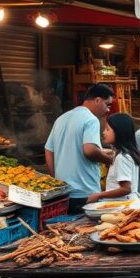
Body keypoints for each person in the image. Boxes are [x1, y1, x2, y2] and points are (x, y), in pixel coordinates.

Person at [45, 84, 115, 214]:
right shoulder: (91, 119)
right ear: (97, 100)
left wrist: (55, 178)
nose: (108, 110)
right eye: (107, 104)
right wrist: (111, 160)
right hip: (85, 192)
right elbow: (89, 150)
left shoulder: (61, 118)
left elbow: (49, 150)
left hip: (64, 194)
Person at [90, 113, 140, 203]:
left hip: (122, 205)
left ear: (118, 132)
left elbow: (125, 189)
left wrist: (99, 195)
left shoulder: (122, 157)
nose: (104, 132)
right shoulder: (126, 154)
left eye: (107, 129)